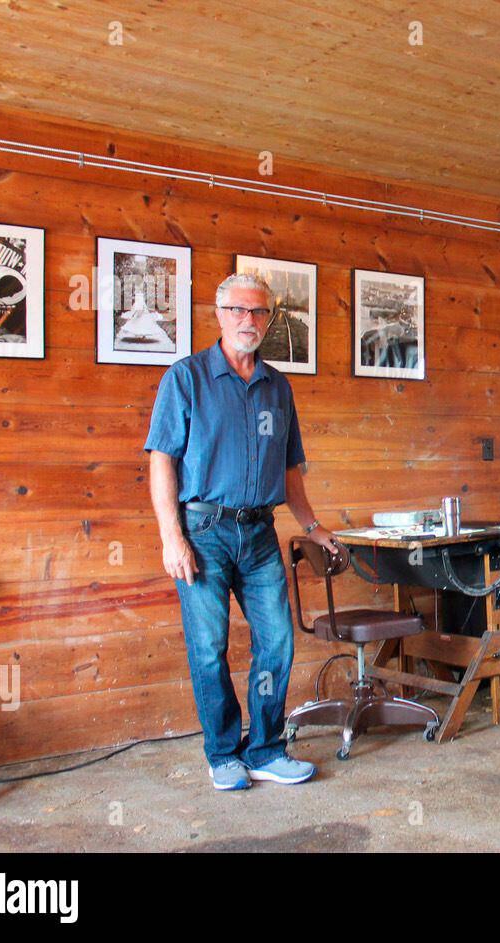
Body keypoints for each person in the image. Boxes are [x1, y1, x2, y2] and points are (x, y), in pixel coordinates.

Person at [145, 273, 340, 791]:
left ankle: (266, 749)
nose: (247, 321)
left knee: (276, 642)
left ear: (270, 320)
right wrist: (171, 537)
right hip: (202, 531)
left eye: (258, 312)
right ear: (219, 314)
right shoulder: (185, 378)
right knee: (208, 648)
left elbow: (288, 469)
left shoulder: (279, 387)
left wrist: (313, 527)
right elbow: (162, 461)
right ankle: (224, 753)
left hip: (258, 536)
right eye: (237, 310)